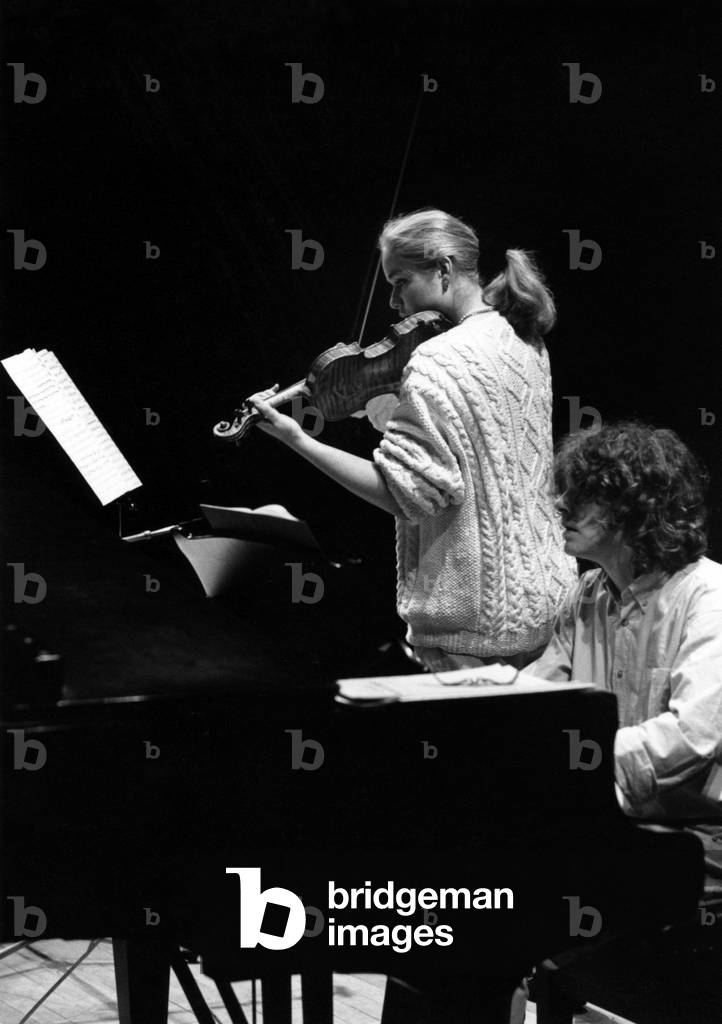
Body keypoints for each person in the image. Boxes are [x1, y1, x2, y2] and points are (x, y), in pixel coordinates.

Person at [250, 208, 576, 669]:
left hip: (473, 627)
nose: (393, 301)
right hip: (549, 603)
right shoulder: (524, 339)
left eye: (400, 281)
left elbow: (405, 495)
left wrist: (296, 439)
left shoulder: (436, 360)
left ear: (443, 268)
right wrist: (390, 406)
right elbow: (476, 446)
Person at [528, 421, 722, 825]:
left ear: (635, 506)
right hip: (617, 821)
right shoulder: (588, 592)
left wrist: (575, 766)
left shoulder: (709, 596)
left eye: (584, 495)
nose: (562, 505)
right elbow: (536, 698)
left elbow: (693, 735)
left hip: (699, 835)